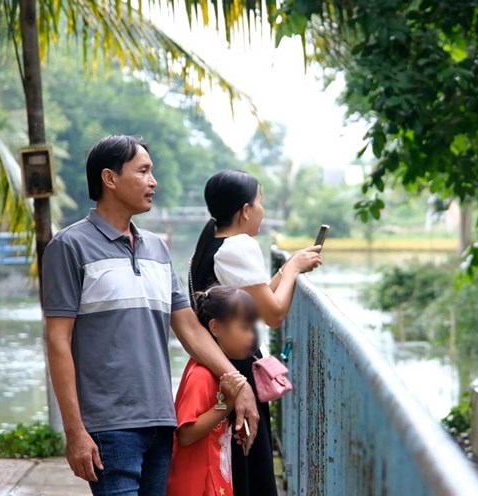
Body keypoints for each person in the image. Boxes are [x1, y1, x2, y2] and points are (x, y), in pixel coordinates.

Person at [42, 135, 259, 495]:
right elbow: (58, 341)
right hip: (109, 428)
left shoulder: (157, 248)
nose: (153, 182)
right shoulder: (69, 247)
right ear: (110, 179)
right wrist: (75, 431)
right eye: (143, 171)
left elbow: (189, 327)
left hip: (161, 422)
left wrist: (236, 381)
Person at [189, 169, 322, 496]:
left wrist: (286, 269)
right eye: (260, 201)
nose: (262, 209)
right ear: (246, 210)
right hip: (238, 369)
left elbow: (255, 304)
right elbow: (274, 314)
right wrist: (291, 269)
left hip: (221, 364)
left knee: (237, 464)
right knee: (250, 466)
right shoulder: (238, 246)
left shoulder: (212, 242)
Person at [167, 286, 260, 496]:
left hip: (214, 481)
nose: (251, 337)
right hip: (196, 486)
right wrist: (225, 405)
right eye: (244, 328)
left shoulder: (218, 373)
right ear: (215, 327)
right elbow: (185, 434)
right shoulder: (201, 376)